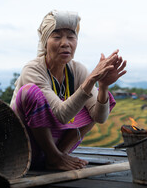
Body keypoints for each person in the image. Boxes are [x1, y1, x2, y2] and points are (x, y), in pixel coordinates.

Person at [10, 10, 127, 171]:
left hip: (57, 148)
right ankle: (54, 156)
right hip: (23, 149)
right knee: (30, 92)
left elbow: (99, 117)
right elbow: (61, 115)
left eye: (71, 37)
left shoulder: (77, 70)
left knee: (98, 99)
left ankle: (58, 156)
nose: (65, 43)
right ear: (45, 42)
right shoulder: (33, 70)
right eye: (57, 37)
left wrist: (103, 86)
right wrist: (91, 79)